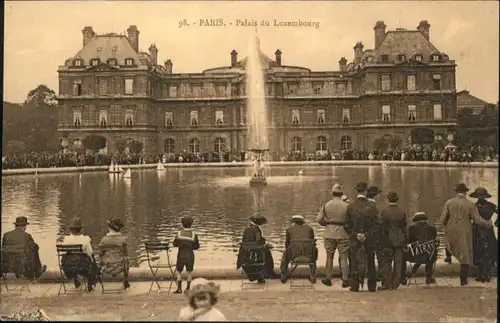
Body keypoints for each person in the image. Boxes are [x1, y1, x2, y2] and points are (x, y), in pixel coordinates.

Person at [440, 183, 492, 286]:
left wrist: (449, 225)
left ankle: (448, 256)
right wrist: (488, 224)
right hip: (465, 231)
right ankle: (463, 281)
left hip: (451, 230)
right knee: (465, 257)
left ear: (456, 192)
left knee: (451, 247)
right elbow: (477, 220)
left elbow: (442, 219)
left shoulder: (449, 202)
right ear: (465, 192)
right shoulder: (470, 204)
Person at [344, 182, 379, 292]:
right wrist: (366, 235)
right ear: (365, 191)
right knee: (370, 261)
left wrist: (355, 235)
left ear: (357, 191)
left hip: (355, 239)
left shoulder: (350, 206)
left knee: (354, 261)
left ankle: (355, 286)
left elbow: (346, 225)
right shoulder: (372, 207)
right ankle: (372, 286)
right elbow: (376, 225)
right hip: (369, 239)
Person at [316, 183, 350, 287]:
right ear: (342, 194)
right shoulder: (347, 206)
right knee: (344, 257)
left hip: (329, 232)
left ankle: (328, 278)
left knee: (329, 257)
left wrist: (326, 223)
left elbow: (318, 219)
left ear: (332, 193)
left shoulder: (327, 204)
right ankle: (345, 280)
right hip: (343, 232)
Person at [236, 213, 279, 283]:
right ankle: (269, 272)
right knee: (267, 253)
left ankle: (263, 273)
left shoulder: (246, 229)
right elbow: (258, 242)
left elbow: (245, 240)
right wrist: (266, 244)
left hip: (246, 251)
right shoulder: (257, 230)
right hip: (255, 250)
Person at [377, 192, 408, 290]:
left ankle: (388, 284)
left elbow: (382, 227)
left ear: (388, 199)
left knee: (387, 262)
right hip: (399, 239)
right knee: (398, 263)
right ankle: (395, 284)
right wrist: (405, 240)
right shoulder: (402, 211)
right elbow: (404, 227)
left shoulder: (384, 211)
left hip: (387, 239)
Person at [61, 217, 99, 291]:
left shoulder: (66, 239)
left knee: (71, 258)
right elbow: (90, 253)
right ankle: (90, 282)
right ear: (81, 229)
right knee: (91, 262)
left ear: (71, 229)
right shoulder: (86, 239)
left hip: (69, 267)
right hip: (83, 267)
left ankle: (75, 278)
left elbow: (63, 253)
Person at [470, 187, 498, 282]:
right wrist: (496, 223)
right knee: (489, 250)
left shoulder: (473, 206)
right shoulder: (491, 206)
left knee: (478, 251)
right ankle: (487, 275)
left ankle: (481, 275)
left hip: (477, 230)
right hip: (488, 230)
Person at [402, 212, 438, 285]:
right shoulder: (432, 228)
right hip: (429, 256)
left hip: (414, 255)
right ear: (425, 219)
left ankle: (404, 277)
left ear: (415, 220)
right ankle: (428, 277)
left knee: (403, 256)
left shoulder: (411, 228)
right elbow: (433, 239)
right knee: (429, 251)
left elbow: (408, 241)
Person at [280, 215, 317, 284]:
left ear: (294, 222)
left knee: (286, 252)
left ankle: (283, 274)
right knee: (313, 250)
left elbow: (286, 244)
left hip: (294, 256)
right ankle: (312, 275)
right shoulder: (309, 229)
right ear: (302, 222)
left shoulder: (289, 229)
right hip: (308, 256)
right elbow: (312, 242)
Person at [98, 217, 130, 289]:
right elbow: (126, 255)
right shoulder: (123, 240)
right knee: (126, 258)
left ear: (109, 228)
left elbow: (100, 255)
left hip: (107, 268)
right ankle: (126, 280)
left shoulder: (104, 240)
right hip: (120, 268)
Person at [173, 216, 200, 294]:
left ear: (182, 224)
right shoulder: (194, 234)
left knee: (179, 271)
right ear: (191, 224)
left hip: (181, 255)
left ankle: (179, 289)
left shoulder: (179, 233)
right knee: (189, 272)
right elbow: (197, 247)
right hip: (190, 255)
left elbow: (174, 244)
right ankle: (188, 288)